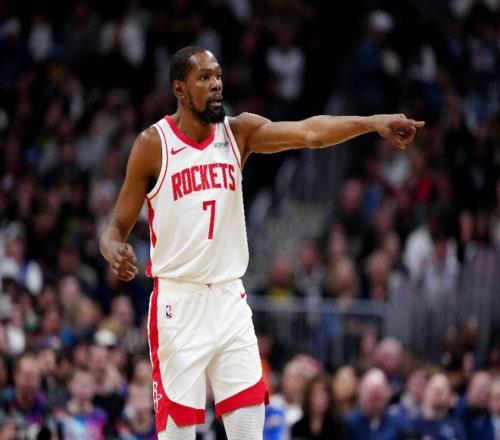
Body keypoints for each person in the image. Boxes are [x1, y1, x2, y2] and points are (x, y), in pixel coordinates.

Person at [99, 45, 425, 440]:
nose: (216, 84)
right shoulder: (153, 144)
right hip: (178, 304)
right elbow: (115, 227)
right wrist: (113, 249)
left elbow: (310, 133)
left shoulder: (239, 132)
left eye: (218, 75)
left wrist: (372, 123)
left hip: (229, 300)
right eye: (204, 77)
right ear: (179, 89)